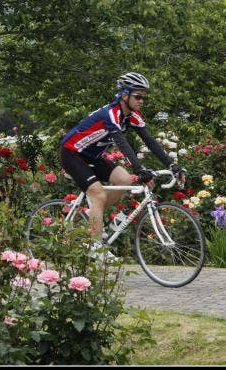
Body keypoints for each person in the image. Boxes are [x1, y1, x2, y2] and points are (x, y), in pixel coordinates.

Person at [60, 72, 186, 257]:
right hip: (72, 153)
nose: (141, 100)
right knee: (99, 194)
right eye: (138, 96)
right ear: (124, 95)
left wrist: (172, 165)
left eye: (143, 96)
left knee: (125, 180)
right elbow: (122, 144)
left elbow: (151, 142)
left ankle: (92, 214)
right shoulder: (111, 114)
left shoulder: (132, 116)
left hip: (93, 156)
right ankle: (96, 248)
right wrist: (140, 169)